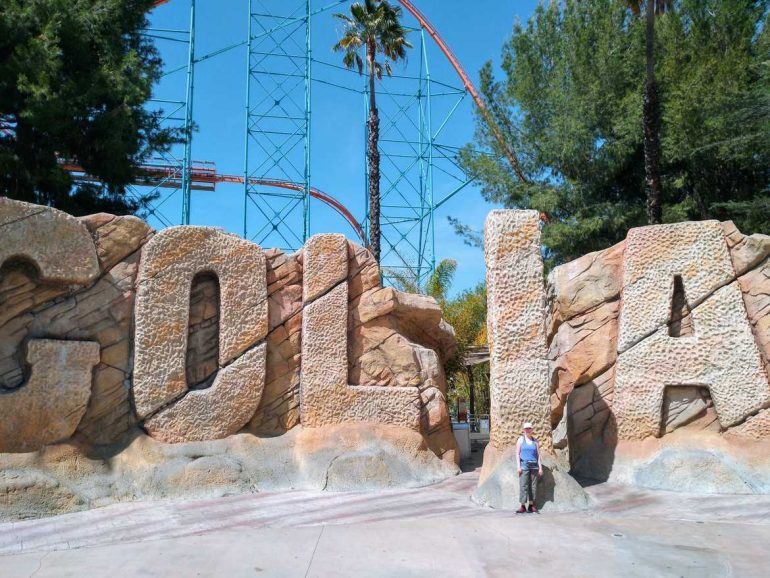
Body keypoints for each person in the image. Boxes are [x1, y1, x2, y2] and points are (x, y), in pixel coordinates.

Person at [515, 422, 542, 513]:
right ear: (523, 430)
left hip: (534, 466)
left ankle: (531, 505)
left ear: (532, 429)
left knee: (533, 486)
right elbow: (517, 454)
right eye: (526, 429)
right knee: (523, 485)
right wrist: (518, 467)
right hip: (524, 465)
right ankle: (522, 505)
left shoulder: (535, 441)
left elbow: (538, 455)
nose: (528, 430)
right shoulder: (520, 440)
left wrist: (540, 468)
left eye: (529, 428)